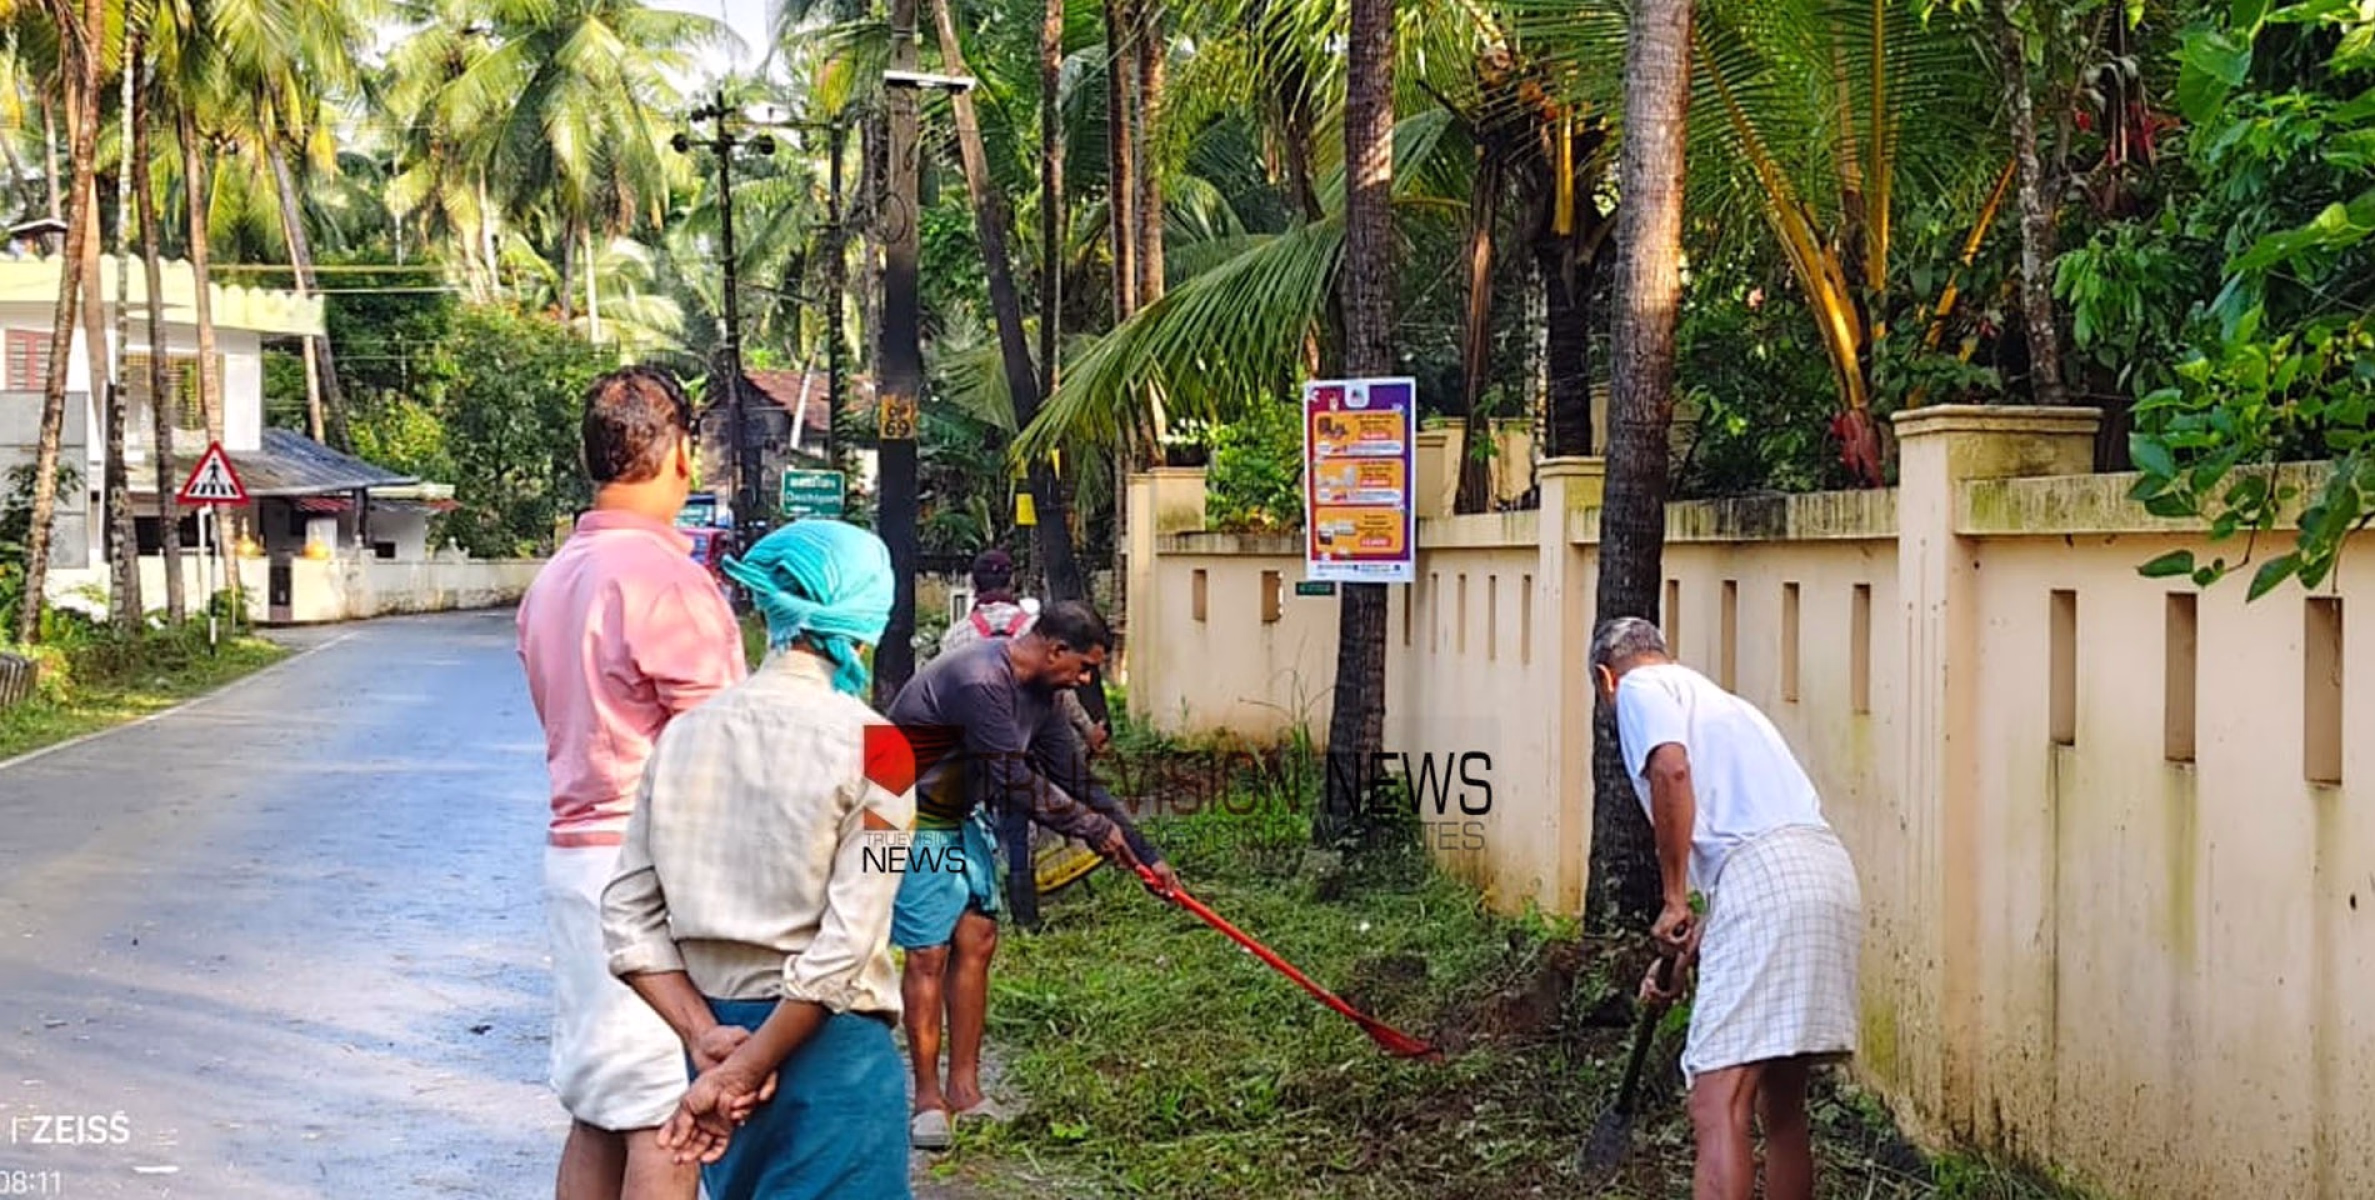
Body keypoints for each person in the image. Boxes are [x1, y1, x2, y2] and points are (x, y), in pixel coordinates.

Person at [602, 520, 913, 1200]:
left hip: (717, 1036)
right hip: (828, 1051)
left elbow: (627, 917)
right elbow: (849, 941)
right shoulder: (882, 748)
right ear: (867, 621)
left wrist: (705, 1036)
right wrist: (748, 1068)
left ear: (767, 609)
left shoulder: (685, 735)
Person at [517, 365, 747, 1200]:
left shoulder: (553, 579)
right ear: (681, 453)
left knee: (598, 1105)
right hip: (649, 872)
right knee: (665, 1111)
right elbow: (716, 755)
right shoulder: (664, 580)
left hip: (576, 859)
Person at [886, 600, 1176, 1151]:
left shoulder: (1043, 698)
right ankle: (927, 1100)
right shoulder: (980, 680)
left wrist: (1144, 851)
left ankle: (966, 1093)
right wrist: (1091, 828)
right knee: (928, 949)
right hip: (894, 804)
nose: (1088, 678)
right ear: (1055, 649)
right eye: (1085, 666)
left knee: (978, 934)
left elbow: (1075, 779)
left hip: (953, 807)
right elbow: (1014, 780)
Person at [1590, 616, 1863, 1200]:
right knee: (1780, 1103)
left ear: (1604, 679)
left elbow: (1671, 768)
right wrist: (1684, 955)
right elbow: (1752, 865)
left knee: (1717, 1100)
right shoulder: (1725, 706)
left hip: (1766, 882)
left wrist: (1671, 896)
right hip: (1823, 873)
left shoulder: (1637, 689)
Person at [938, 548, 1103, 755]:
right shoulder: (1037, 631)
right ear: (1012, 581)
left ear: (973, 583)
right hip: (1032, 741)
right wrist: (1087, 729)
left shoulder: (955, 635)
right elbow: (1061, 693)